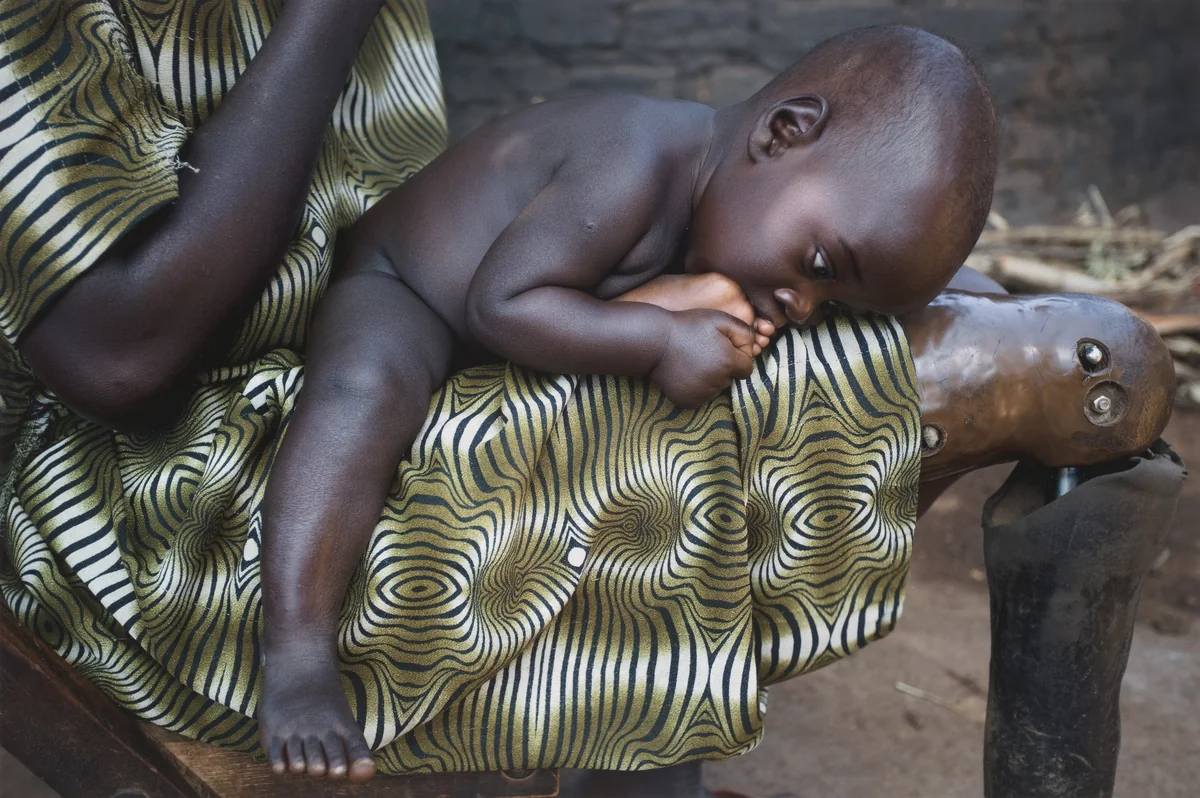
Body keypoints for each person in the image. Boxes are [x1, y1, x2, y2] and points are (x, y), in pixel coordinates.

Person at [258, 24, 998, 779]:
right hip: (413, 292)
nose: (804, 307)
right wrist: (657, 341)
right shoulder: (633, 160)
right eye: (819, 266)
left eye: (837, 301)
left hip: (519, 330)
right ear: (783, 133)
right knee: (364, 388)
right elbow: (501, 304)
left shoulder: (737, 218)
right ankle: (294, 656)